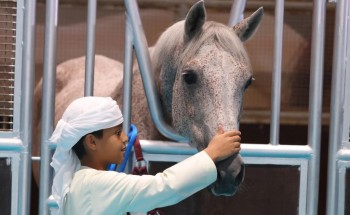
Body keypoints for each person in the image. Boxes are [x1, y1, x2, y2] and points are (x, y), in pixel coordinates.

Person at [50, 96, 241, 215]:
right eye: (117, 134)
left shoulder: (83, 184)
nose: (125, 138)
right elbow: (165, 186)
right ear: (92, 142)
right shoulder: (96, 184)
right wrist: (211, 153)